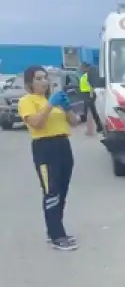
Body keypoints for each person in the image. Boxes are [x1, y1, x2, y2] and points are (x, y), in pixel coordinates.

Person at [17, 66, 81, 251]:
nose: (44, 82)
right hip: (44, 147)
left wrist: (67, 108)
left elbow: (75, 122)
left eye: (45, 78)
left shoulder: (52, 100)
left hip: (63, 145)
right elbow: (36, 123)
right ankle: (56, 236)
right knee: (51, 191)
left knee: (62, 190)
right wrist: (50, 105)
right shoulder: (27, 101)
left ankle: (54, 229)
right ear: (30, 82)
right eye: (38, 78)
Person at [79, 62, 103, 135]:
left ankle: (98, 127)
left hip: (89, 94)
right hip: (85, 94)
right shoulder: (84, 75)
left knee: (92, 111)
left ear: (85, 67)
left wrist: (91, 95)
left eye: (82, 68)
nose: (81, 69)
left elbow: (92, 85)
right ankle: (98, 127)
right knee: (90, 111)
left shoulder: (88, 75)